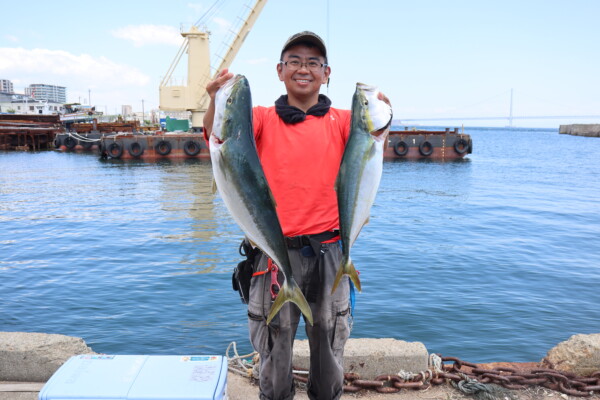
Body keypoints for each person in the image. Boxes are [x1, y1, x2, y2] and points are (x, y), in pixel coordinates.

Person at [203, 31, 390, 400]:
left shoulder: (342, 120)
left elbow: (372, 143)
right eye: (294, 61)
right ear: (279, 70)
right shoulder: (260, 118)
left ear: (326, 73)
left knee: (329, 340)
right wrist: (214, 99)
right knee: (274, 344)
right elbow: (217, 134)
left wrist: (383, 109)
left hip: (330, 250)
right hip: (272, 254)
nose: (303, 69)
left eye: (313, 63)